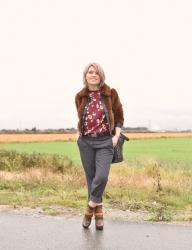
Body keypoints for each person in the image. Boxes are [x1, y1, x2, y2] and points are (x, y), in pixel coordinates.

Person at [75, 62, 124, 230]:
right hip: (85, 142)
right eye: (90, 72)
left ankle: (89, 208)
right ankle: (99, 213)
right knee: (91, 179)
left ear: (101, 75)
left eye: (96, 72)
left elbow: (119, 116)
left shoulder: (110, 94)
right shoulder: (80, 96)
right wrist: (78, 136)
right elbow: (81, 118)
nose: (93, 74)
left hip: (105, 142)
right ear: (85, 76)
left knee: (101, 177)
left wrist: (116, 136)